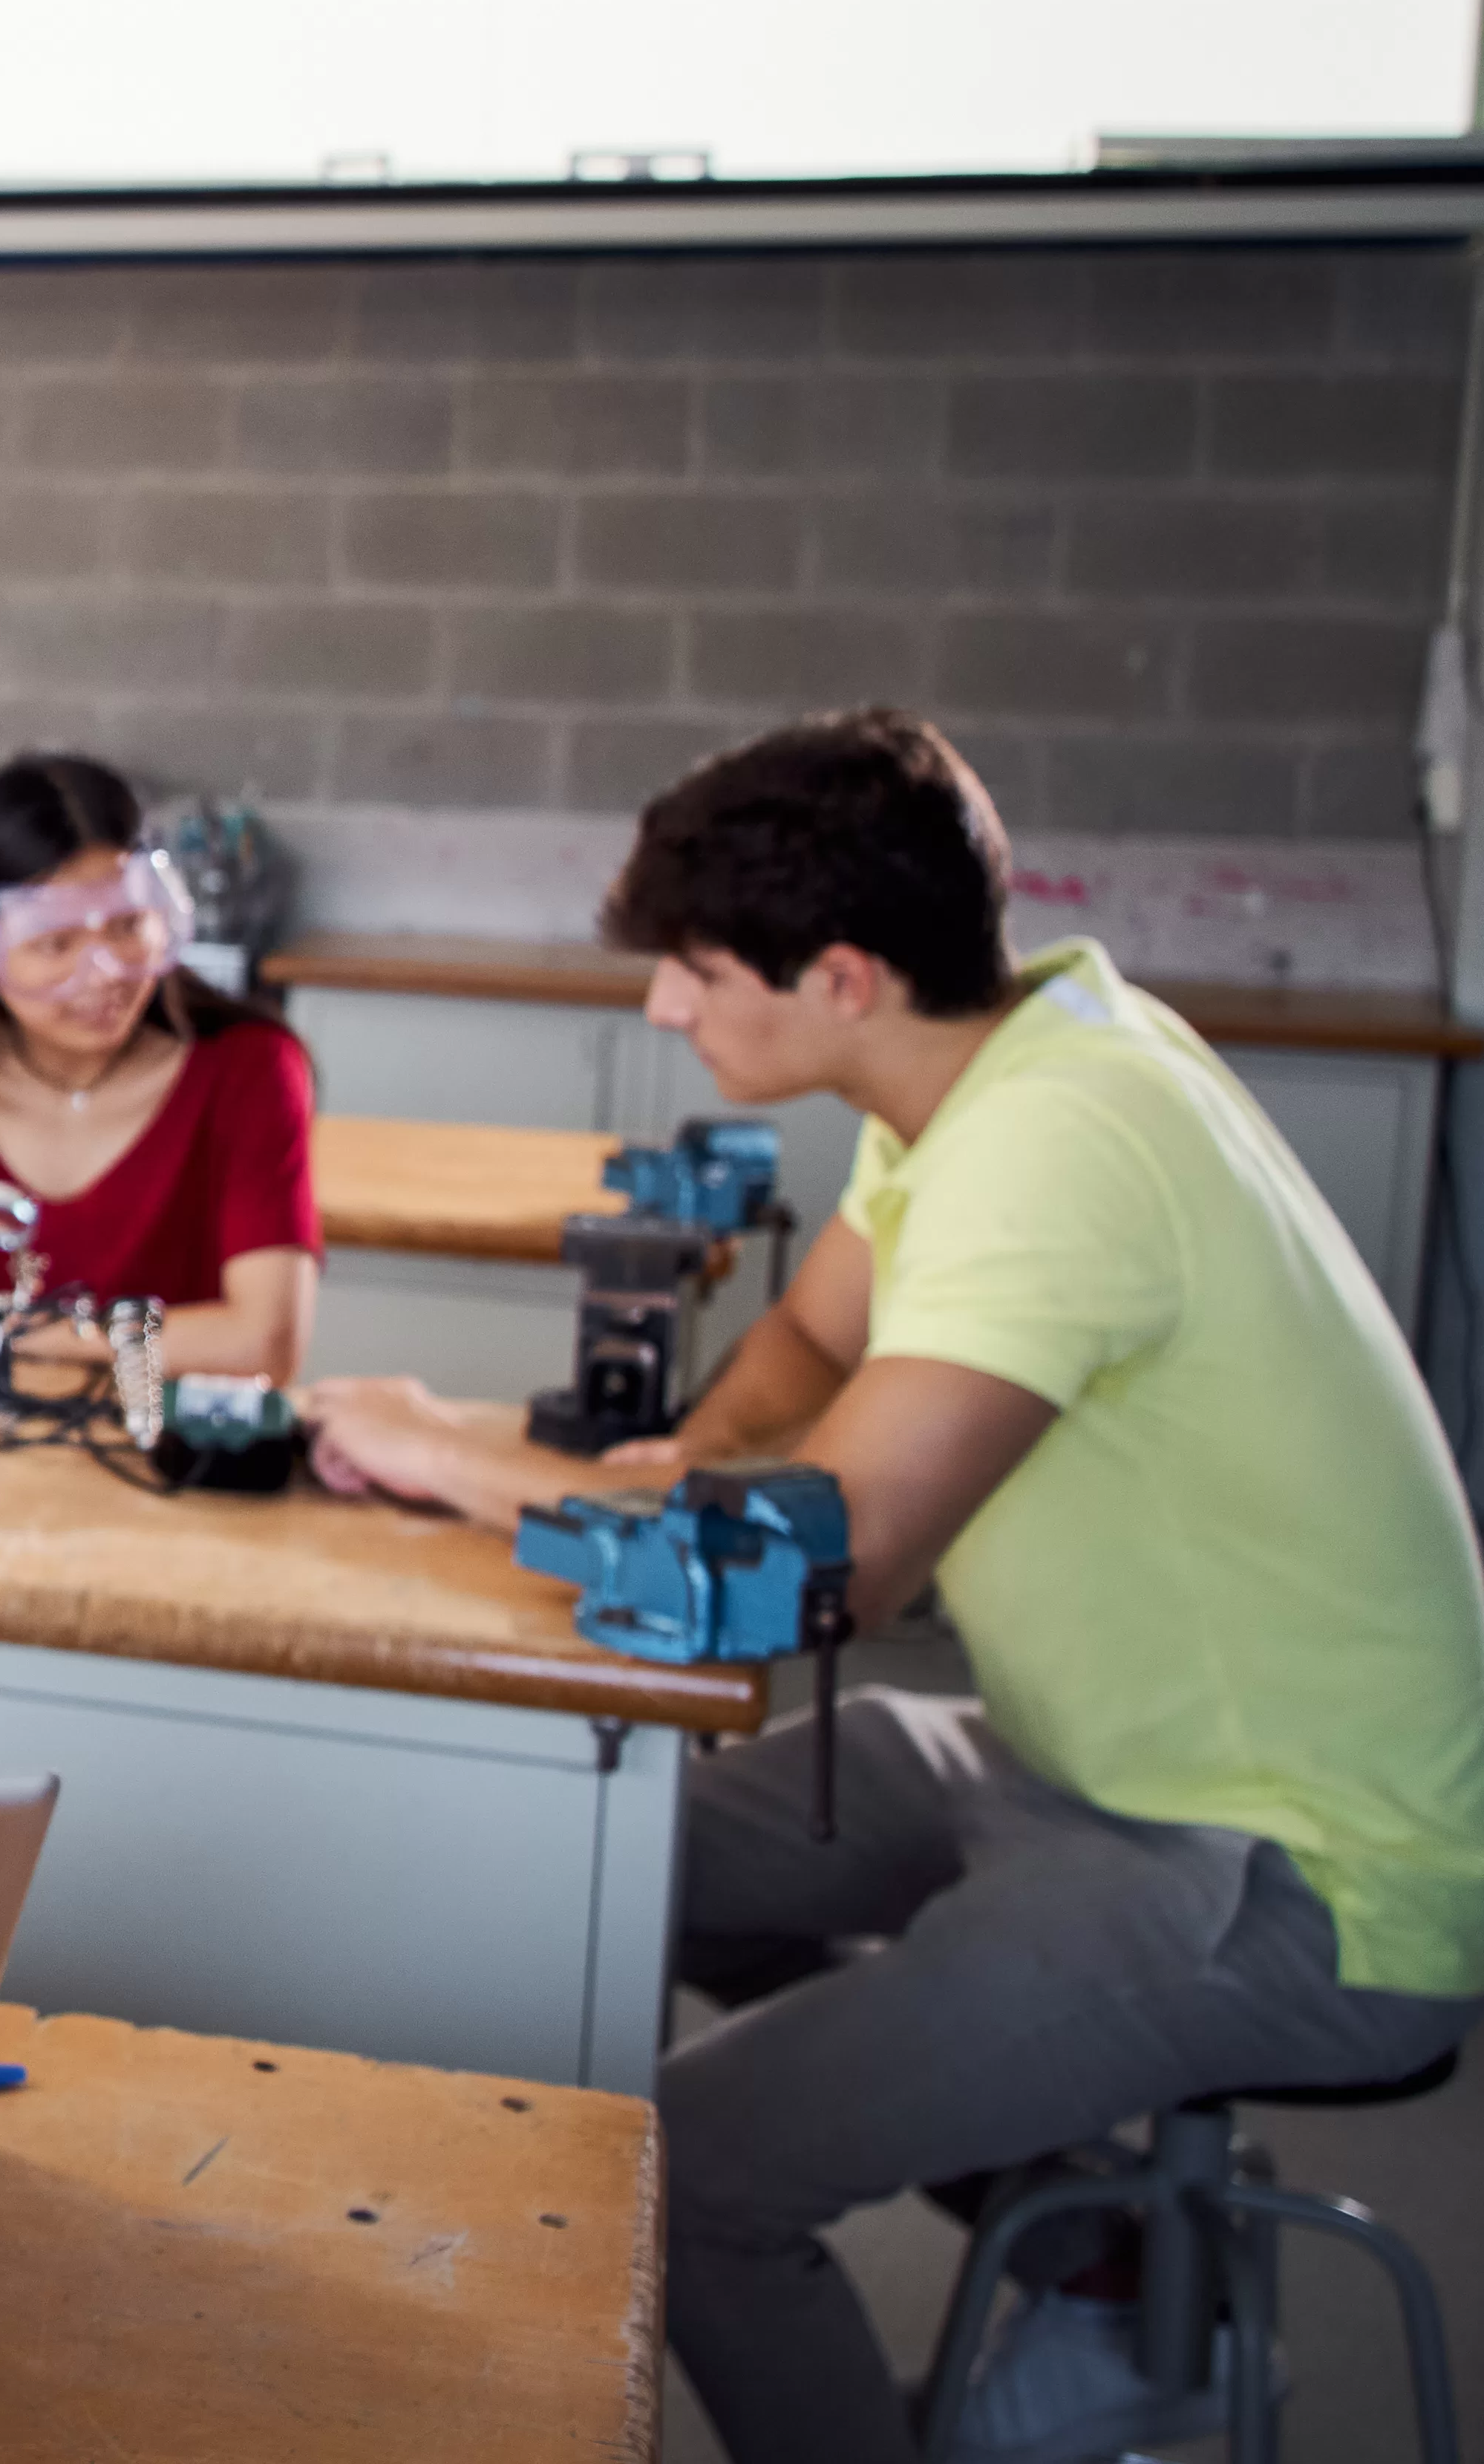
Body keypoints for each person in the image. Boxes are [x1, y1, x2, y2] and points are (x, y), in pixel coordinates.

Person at [293, 708, 1484, 2464]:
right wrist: (658, 1469)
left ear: (840, 975)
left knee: (681, 2172)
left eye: (695, 973)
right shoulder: (990, 1060)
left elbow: (805, 1571)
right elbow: (798, 1338)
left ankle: (1044, 2197)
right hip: (1069, 1758)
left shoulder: (1054, 1145)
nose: (661, 1012)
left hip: (1291, 1863)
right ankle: (1090, 2234)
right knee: (614, 1864)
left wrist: (448, 1451)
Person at [0, 751, 318, 1380]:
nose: (103, 976)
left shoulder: (249, 1069)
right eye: (56, 943)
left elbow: (263, 1344)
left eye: (129, 927)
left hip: (158, 1462)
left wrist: (36, 1341)